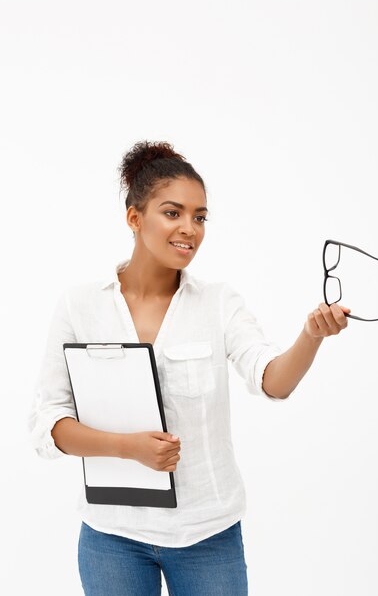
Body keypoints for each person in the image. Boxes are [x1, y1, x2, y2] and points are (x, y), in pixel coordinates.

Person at [28, 140, 350, 596]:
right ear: (134, 218)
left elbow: (271, 380)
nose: (190, 229)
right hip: (110, 537)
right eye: (173, 212)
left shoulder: (219, 303)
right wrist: (127, 448)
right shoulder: (79, 305)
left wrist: (312, 336)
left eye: (200, 217)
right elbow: (47, 424)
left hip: (207, 534)